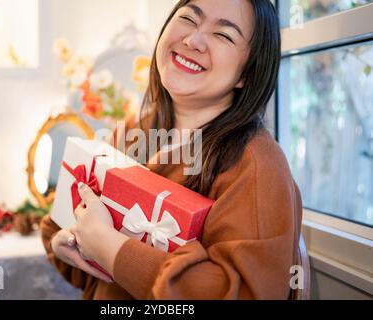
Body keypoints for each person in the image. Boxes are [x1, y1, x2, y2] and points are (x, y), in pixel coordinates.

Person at [40, 0, 303, 299]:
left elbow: (245, 293)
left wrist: (110, 248)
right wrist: (70, 245)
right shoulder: (133, 131)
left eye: (224, 35)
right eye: (189, 18)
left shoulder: (256, 167)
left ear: (247, 73)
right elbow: (66, 235)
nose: (193, 40)